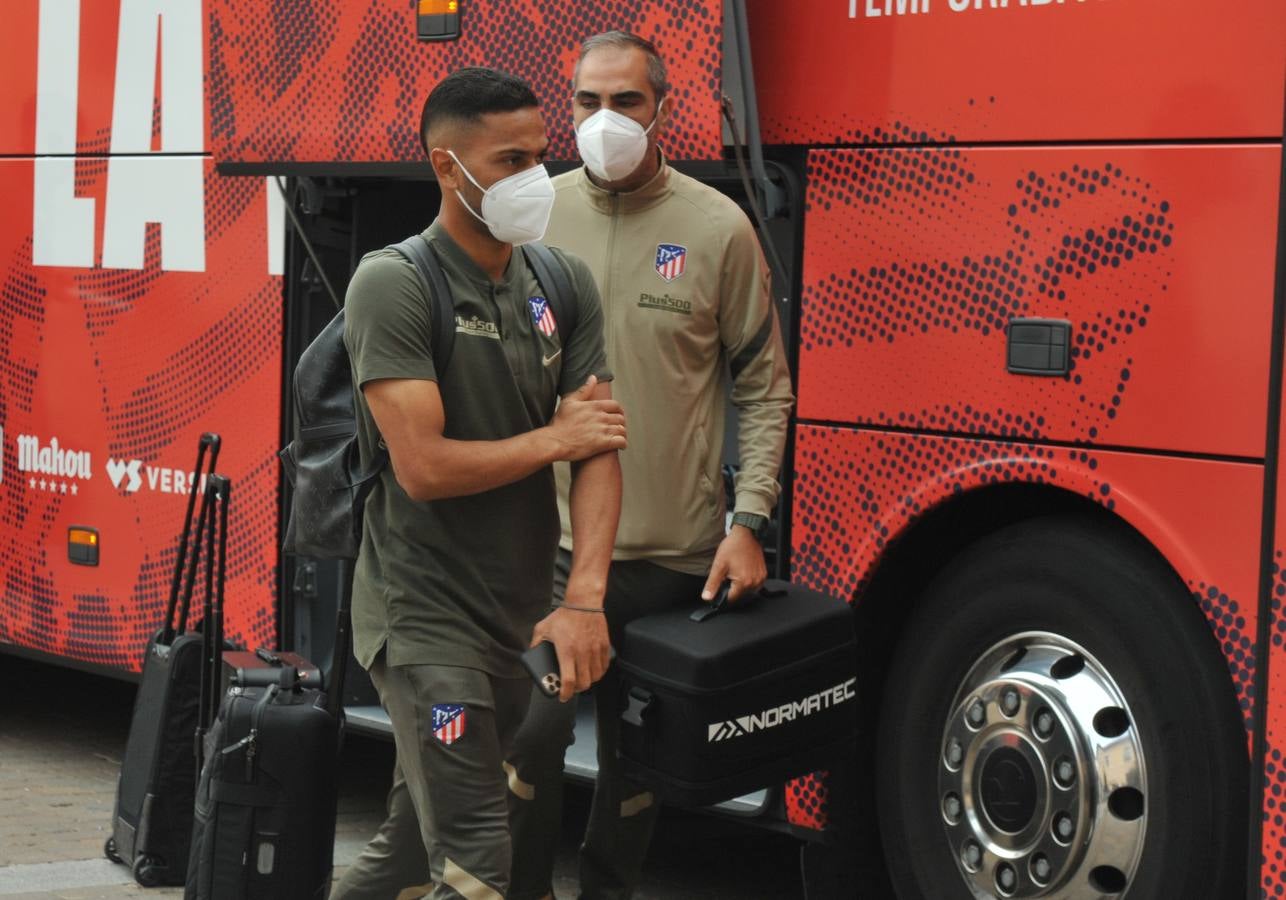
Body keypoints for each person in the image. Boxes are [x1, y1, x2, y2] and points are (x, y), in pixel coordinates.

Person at [505, 31, 795, 900]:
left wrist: (748, 524)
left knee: (638, 769)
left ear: (662, 106)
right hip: (550, 554)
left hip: (673, 562)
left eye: (626, 101)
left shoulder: (718, 229)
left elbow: (765, 389)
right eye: (588, 102)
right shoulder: (529, 218)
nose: (605, 121)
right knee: (531, 736)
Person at [330, 67, 624, 900]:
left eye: (539, 156)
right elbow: (421, 468)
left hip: (519, 617)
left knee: (401, 858)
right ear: (445, 166)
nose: (533, 178)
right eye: (508, 161)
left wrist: (586, 599)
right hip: (425, 622)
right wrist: (554, 439)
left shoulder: (560, 281)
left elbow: (598, 447)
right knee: (476, 866)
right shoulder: (395, 283)